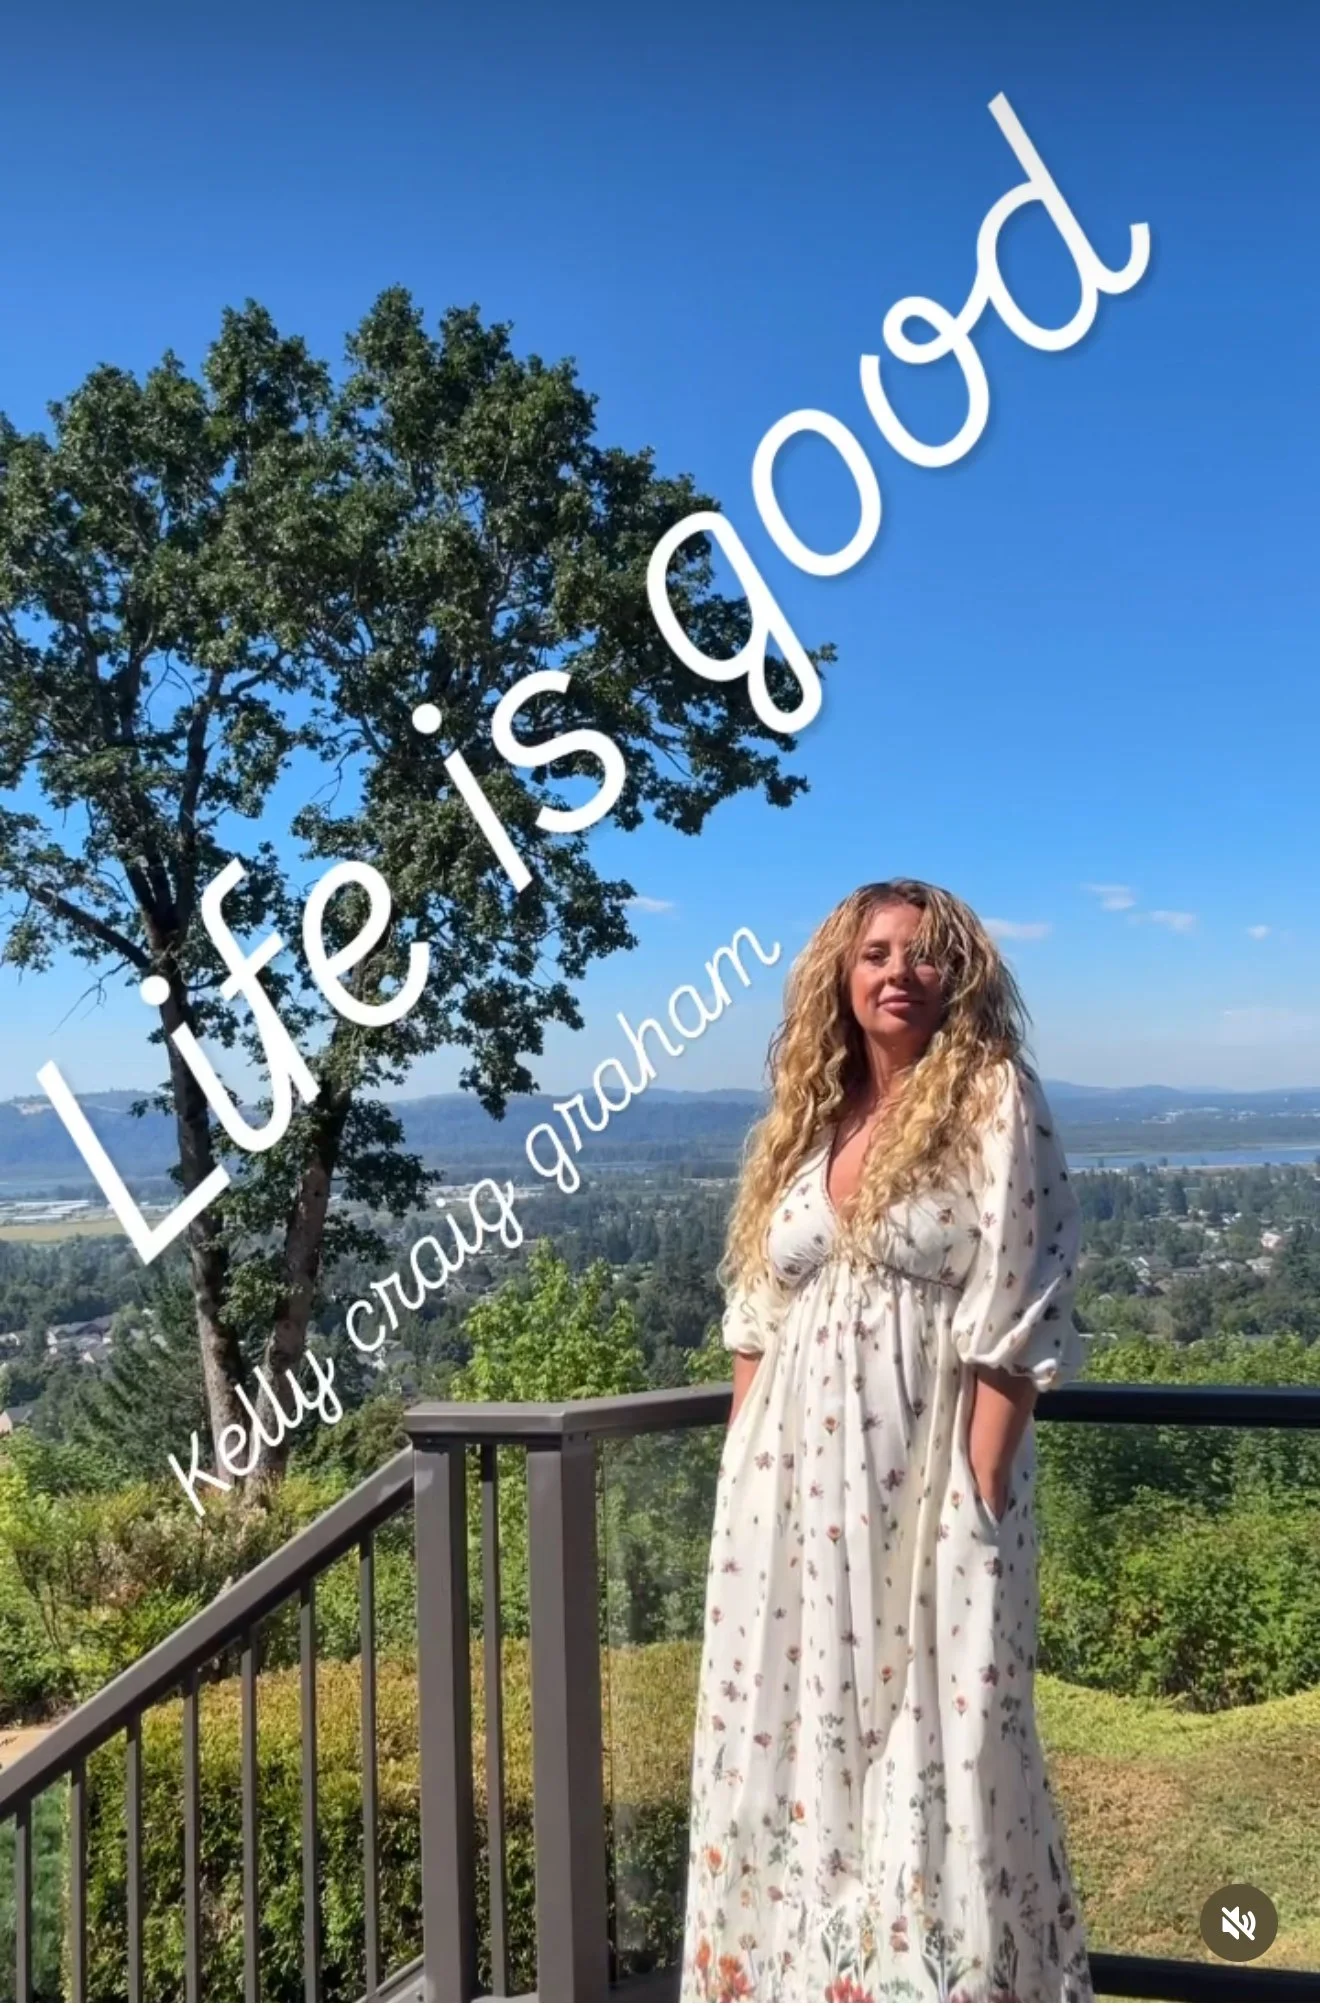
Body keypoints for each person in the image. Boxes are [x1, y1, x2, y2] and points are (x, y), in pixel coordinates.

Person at [680, 879, 1091, 2004]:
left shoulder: (994, 1096)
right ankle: (800, 1978)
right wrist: (739, 1483)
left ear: (959, 973)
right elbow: (757, 1314)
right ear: (841, 978)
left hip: (929, 1476)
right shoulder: (811, 1114)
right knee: (794, 1724)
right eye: (875, 952)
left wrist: (982, 1485)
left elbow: (1025, 1293)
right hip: (788, 1493)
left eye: (922, 952)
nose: (898, 970)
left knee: (945, 1729)